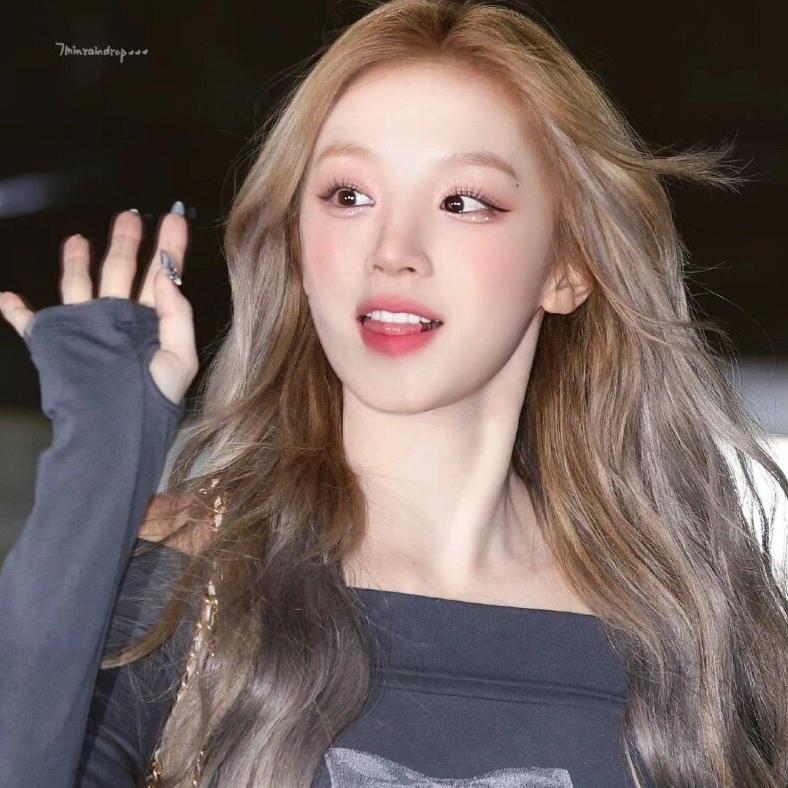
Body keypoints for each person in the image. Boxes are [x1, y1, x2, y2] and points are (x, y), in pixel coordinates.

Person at [1, 0, 787, 786]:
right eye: (349, 196)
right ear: (298, 246)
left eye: (463, 201)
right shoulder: (183, 583)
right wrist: (97, 461)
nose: (393, 250)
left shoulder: (691, 620)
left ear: (568, 267)